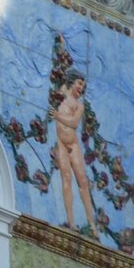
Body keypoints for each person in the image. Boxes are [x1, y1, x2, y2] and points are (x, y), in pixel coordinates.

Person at [51, 72, 95, 233]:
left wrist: (57, 117)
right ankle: (71, 222)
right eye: (79, 83)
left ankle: (92, 224)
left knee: (82, 182)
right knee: (66, 179)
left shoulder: (79, 106)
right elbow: (60, 86)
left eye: (83, 86)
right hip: (61, 144)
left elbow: (74, 123)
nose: (81, 88)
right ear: (71, 83)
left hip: (73, 145)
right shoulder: (60, 95)